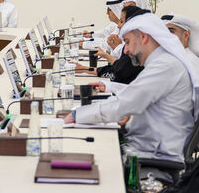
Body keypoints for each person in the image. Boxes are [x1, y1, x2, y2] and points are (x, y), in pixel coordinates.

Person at [65, 10, 198, 162]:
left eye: (127, 42)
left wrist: (76, 115)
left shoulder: (166, 65)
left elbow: (126, 102)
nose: (126, 50)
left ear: (143, 37)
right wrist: (109, 89)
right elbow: (138, 92)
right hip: (147, 147)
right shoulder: (163, 62)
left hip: (152, 157)